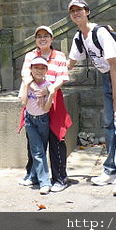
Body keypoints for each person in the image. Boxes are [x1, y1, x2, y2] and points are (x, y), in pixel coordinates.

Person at [66, 0, 116, 196]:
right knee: (109, 125)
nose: (76, 13)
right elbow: (69, 64)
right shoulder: (79, 37)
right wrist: (47, 81)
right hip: (107, 77)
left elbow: (114, 66)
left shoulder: (100, 32)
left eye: (79, 10)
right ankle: (111, 170)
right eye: (72, 11)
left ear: (87, 11)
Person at [17, 25, 72, 192]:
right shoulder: (30, 55)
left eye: (46, 36)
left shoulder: (60, 56)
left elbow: (62, 77)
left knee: (56, 138)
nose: (42, 39)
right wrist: (36, 89)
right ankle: (33, 175)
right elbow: (25, 75)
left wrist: (48, 90)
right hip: (34, 98)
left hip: (53, 97)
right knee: (34, 142)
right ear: (35, 39)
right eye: (39, 36)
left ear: (52, 38)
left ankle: (60, 178)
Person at [18, 56, 55, 195]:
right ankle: (44, 182)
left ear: (46, 70)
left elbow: (46, 109)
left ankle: (35, 177)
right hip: (30, 120)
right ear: (31, 70)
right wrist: (27, 85)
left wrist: (50, 94)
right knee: (37, 151)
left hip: (43, 120)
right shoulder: (26, 84)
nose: (39, 70)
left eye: (42, 68)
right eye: (36, 68)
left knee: (40, 150)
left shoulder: (48, 85)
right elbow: (23, 103)